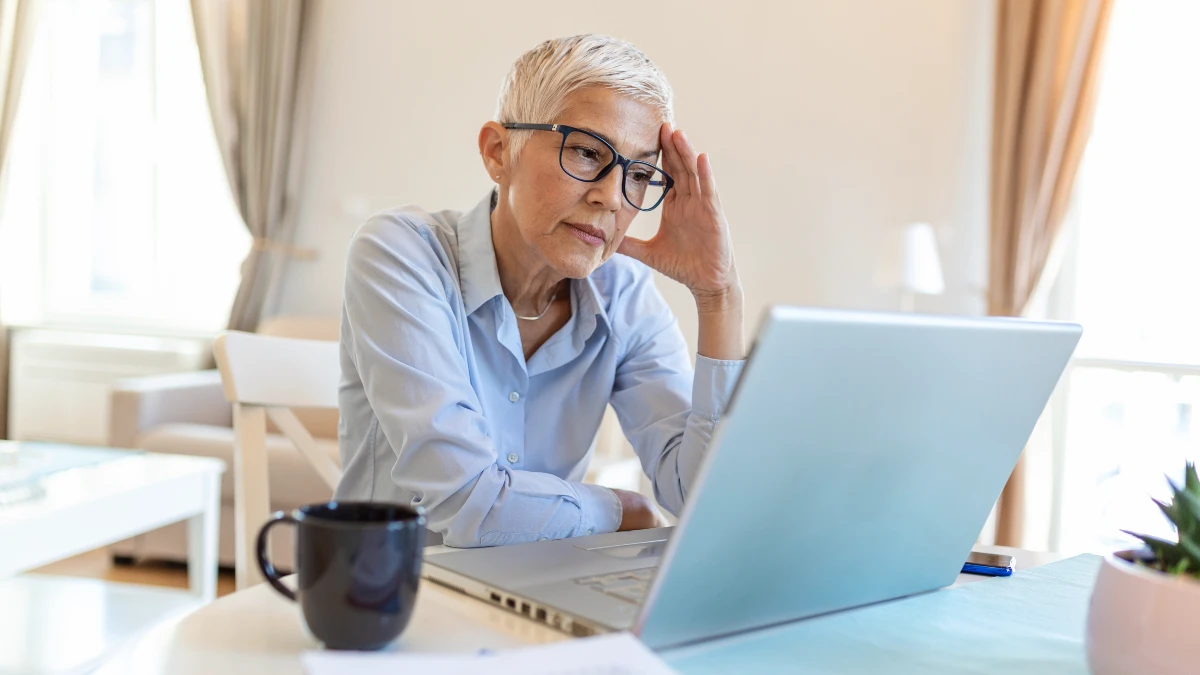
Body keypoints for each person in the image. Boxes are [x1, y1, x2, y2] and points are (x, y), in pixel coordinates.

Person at [335, 34, 745, 548]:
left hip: (545, 587)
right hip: (395, 586)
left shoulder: (624, 294)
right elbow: (465, 501)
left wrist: (718, 296)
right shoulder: (402, 253)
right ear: (498, 152)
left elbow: (703, 499)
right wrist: (622, 508)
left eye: (640, 173)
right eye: (587, 152)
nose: (612, 198)